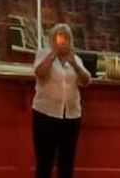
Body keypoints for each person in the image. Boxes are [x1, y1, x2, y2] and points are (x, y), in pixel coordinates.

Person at [32, 23, 92, 178]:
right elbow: (40, 73)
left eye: (66, 38)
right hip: (45, 114)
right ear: (52, 39)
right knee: (45, 162)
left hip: (71, 117)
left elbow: (86, 81)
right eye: (60, 37)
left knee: (66, 162)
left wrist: (75, 65)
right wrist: (53, 54)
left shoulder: (75, 59)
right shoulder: (43, 54)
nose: (63, 41)